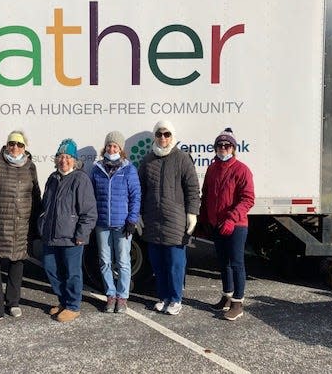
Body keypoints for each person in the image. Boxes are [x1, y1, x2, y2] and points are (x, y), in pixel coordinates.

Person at [0, 130, 41, 327]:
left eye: (19, 145)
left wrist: (36, 224)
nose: (15, 148)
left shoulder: (30, 167)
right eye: (12, 143)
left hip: (21, 226)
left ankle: (13, 302)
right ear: (6, 145)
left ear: (24, 147)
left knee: (17, 263)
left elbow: (36, 195)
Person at [138, 121, 200, 316]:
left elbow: (192, 189)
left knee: (175, 263)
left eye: (166, 134)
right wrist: (138, 213)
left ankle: (175, 299)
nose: (163, 138)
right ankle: (163, 297)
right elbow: (140, 190)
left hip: (175, 221)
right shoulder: (147, 160)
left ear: (172, 136)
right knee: (157, 263)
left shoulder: (182, 159)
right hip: (153, 221)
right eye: (159, 134)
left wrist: (192, 213)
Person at [39, 138, 97, 323]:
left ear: (75, 159)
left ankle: (73, 305)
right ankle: (63, 301)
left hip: (71, 237)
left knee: (72, 272)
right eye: (60, 157)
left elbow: (89, 211)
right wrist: (41, 224)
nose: (64, 160)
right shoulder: (52, 178)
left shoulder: (80, 179)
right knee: (51, 269)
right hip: (50, 235)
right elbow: (45, 206)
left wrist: (82, 233)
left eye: (68, 157)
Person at [200, 127, 255, 321]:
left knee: (236, 263)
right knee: (223, 263)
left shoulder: (242, 170)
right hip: (217, 225)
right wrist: (204, 219)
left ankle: (238, 303)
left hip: (236, 225)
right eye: (220, 145)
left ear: (233, 148)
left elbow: (248, 199)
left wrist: (231, 218)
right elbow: (206, 195)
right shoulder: (212, 168)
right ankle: (227, 295)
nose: (223, 148)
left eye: (227, 145)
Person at [91, 131, 141, 313]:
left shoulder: (129, 169)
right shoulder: (97, 169)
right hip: (102, 224)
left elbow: (136, 196)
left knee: (123, 261)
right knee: (104, 261)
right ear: (105, 147)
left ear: (121, 150)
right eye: (109, 145)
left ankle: (122, 297)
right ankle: (110, 295)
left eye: (115, 146)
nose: (112, 149)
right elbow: (91, 196)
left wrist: (132, 220)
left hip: (122, 224)